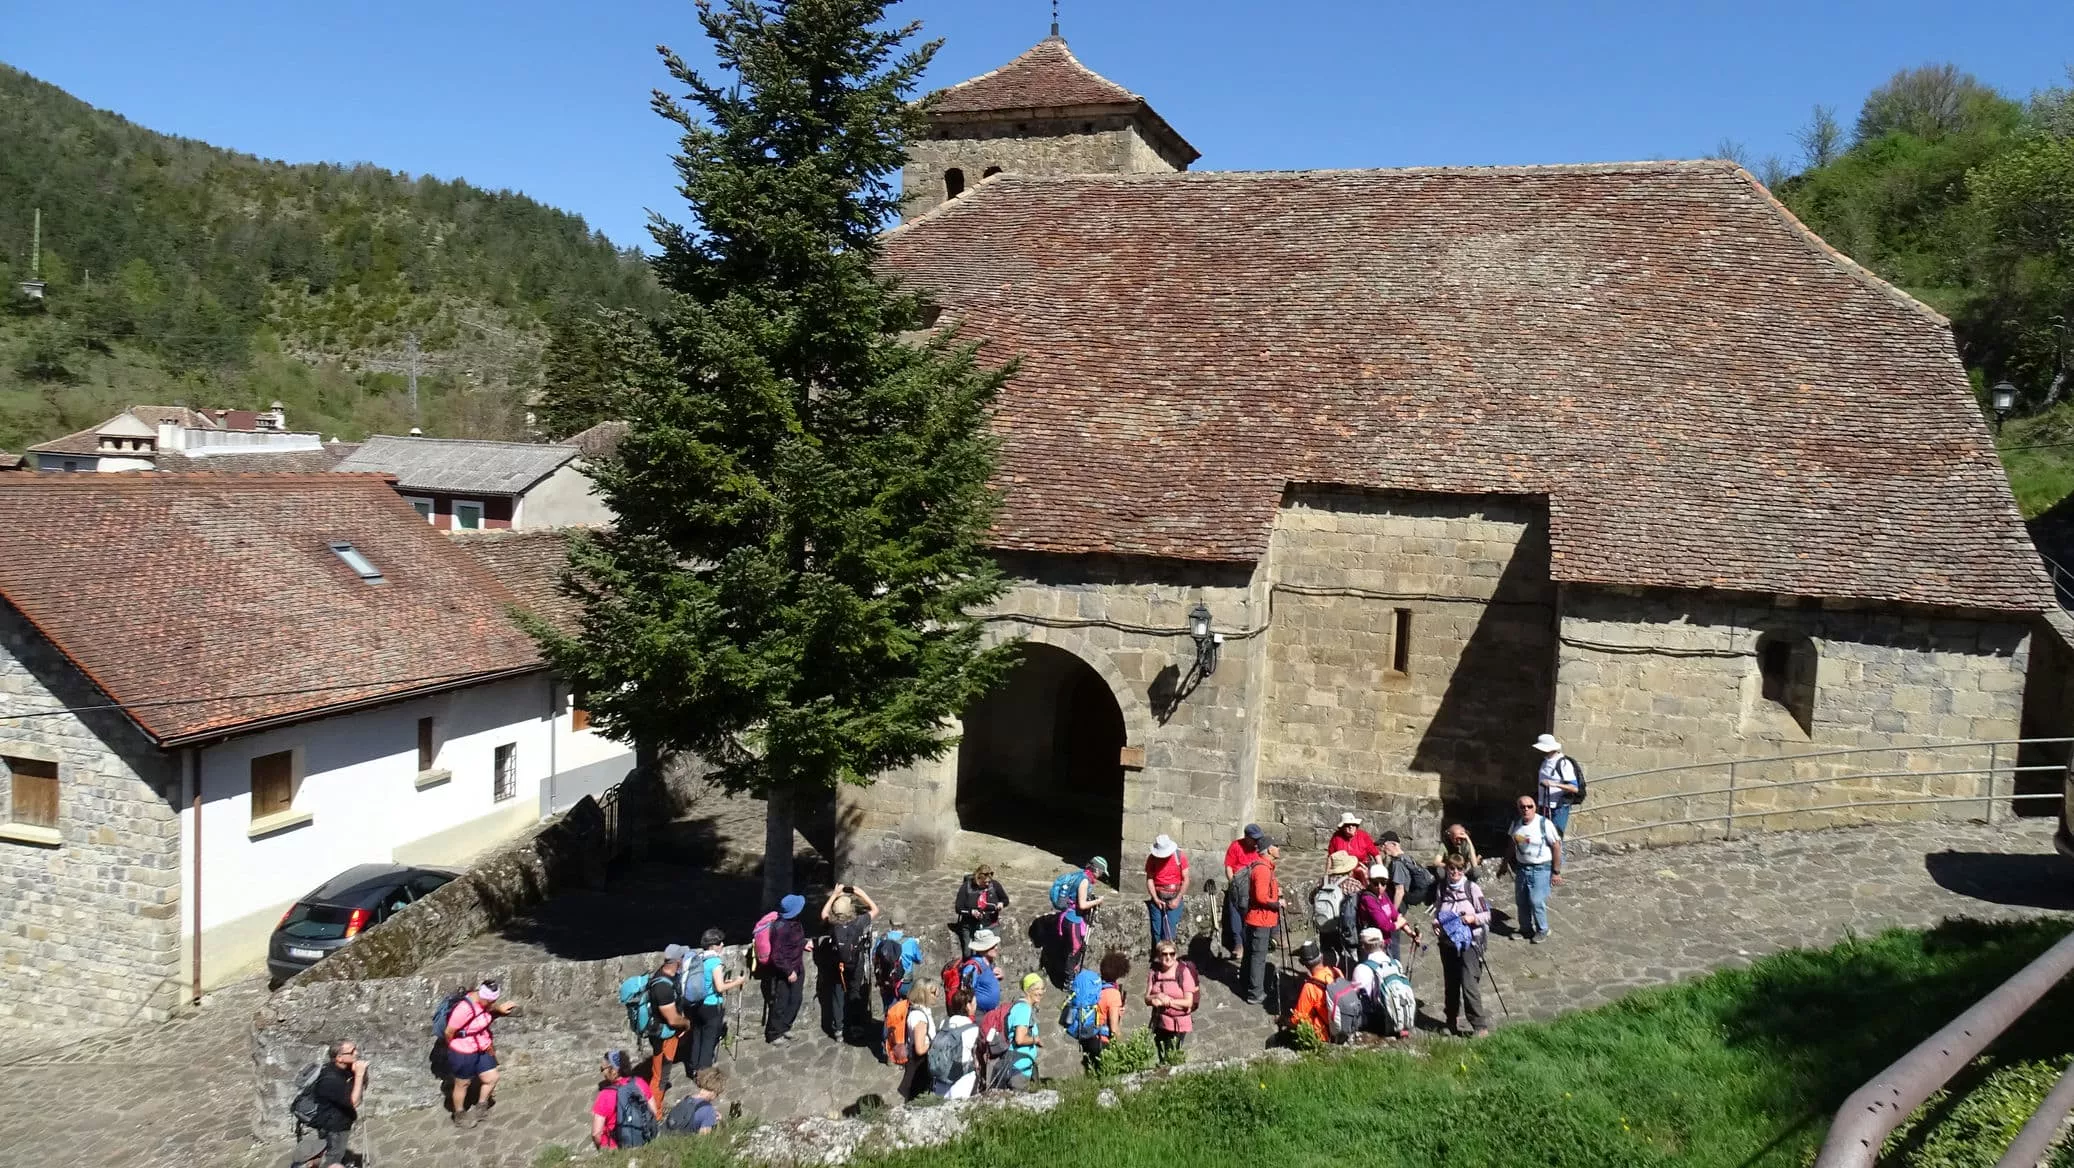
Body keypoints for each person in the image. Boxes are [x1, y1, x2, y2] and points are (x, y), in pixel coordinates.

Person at [1434, 855, 1492, 1037]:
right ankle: (1451, 1021)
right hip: (1447, 943)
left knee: (1468, 983)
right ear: (1447, 869)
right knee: (1451, 983)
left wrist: (1472, 918)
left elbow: (1487, 915)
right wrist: (1436, 924)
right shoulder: (1442, 889)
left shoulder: (1472, 888)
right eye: (1452, 869)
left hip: (1470, 942)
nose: (1455, 872)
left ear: (1464, 869)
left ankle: (1479, 1026)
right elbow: (1437, 911)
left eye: (1459, 869)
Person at [444, 979, 515, 1127]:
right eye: (490, 1001)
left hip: (482, 1045)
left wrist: (499, 1009)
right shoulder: (464, 1009)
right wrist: (455, 1047)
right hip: (463, 1050)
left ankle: (481, 1106)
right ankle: (459, 1115)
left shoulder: (484, 1002)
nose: (492, 1004)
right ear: (482, 996)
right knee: (462, 1083)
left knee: (492, 1077)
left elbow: (489, 1008)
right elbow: (449, 1032)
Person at [821, 884, 881, 1041]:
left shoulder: (833, 925)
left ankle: (838, 1030)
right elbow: (875, 909)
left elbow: (823, 913)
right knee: (855, 992)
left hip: (837, 966)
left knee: (838, 995)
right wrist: (860, 892)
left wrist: (834, 894)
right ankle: (855, 1026)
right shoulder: (859, 922)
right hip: (856, 964)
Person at [1506, 795, 1564, 943]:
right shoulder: (1516, 824)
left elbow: (1556, 846)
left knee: (1536, 901)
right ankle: (1525, 929)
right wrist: (1504, 863)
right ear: (1518, 808)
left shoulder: (1544, 824)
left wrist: (1556, 872)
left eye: (1529, 806)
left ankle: (1542, 930)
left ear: (1535, 807)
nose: (1526, 809)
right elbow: (1512, 844)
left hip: (1541, 869)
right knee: (1522, 901)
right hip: (1522, 868)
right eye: (1522, 807)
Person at [687, 929, 744, 1072]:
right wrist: (738, 982)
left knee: (698, 1036)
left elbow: (708, 981)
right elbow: (719, 988)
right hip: (711, 1006)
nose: (722, 944)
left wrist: (726, 981)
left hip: (698, 1004)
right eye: (719, 943)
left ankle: (693, 1067)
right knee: (709, 1041)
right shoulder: (715, 961)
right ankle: (704, 1073)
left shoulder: (699, 958)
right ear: (712, 946)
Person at [643, 944, 693, 1106]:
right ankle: (654, 1114)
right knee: (661, 1077)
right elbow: (672, 1019)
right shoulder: (663, 987)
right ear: (677, 961)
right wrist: (686, 1024)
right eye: (683, 957)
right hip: (663, 1037)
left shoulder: (667, 974)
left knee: (661, 1073)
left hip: (664, 1033)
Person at [304, 1040, 367, 1165]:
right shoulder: (330, 1080)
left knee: (335, 1152)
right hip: (334, 1127)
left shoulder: (343, 1068)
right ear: (339, 1058)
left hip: (340, 1119)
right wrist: (359, 1075)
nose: (357, 1053)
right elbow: (354, 1102)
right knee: (334, 1158)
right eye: (352, 1051)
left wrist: (358, 1074)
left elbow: (361, 1087)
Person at [1351, 927, 1415, 1039]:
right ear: (1382, 944)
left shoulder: (1361, 969)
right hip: (1397, 1015)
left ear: (1363, 946)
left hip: (1377, 1021)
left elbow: (1354, 996)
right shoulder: (1396, 964)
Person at [764, 893, 810, 1044]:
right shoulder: (780, 928)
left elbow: (795, 941)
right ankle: (774, 1033)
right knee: (781, 1002)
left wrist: (803, 943)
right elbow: (776, 955)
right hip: (786, 971)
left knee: (796, 999)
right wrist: (788, 971)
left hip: (798, 966)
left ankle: (785, 1027)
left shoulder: (795, 922)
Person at [1241, 841, 1282, 1006]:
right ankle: (1255, 993)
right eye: (1277, 846)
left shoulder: (1263, 867)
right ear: (1270, 849)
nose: (1279, 849)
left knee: (1250, 954)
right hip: (1261, 920)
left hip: (1255, 918)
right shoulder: (1263, 869)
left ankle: (1246, 984)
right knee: (1258, 957)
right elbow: (1260, 897)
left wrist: (1275, 892)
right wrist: (1277, 903)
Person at [591, 1049, 657, 1151]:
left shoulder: (605, 1095)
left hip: (616, 1148)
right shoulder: (640, 1083)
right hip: (644, 1140)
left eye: (602, 1069)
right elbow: (653, 1111)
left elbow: (596, 1133)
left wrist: (602, 1149)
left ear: (613, 1070)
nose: (602, 1073)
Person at [1144, 939, 1198, 1063]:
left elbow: (1188, 1002)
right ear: (1158, 956)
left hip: (1178, 1024)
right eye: (1164, 954)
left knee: (1172, 1055)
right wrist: (1156, 997)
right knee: (1161, 1053)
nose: (1168, 957)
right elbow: (1146, 998)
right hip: (1160, 1022)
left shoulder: (1183, 972)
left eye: (1172, 954)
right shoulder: (1154, 973)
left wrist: (1167, 1002)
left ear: (1176, 955)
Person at [1080, 950, 1131, 1071]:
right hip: (1102, 1042)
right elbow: (1114, 1029)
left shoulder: (1095, 989)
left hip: (1087, 1039)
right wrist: (1124, 1047)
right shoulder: (1113, 994)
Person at [932, 985, 983, 1098]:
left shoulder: (944, 1023)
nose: (976, 1006)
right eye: (974, 1003)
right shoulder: (972, 1029)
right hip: (962, 1077)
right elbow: (975, 1055)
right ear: (968, 1006)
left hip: (941, 1075)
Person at [1059, 857, 1109, 973]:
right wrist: (1097, 901)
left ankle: (1071, 975)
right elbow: (1081, 905)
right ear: (1096, 870)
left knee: (1074, 948)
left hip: (1071, 918)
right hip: (1073, 920)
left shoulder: (1081, 874)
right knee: (1075, 949)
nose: (1101, 875)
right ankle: (1069, 981)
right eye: (1101, 872)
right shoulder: (1084, 881)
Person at [895, 978, 941, 1101]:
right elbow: (920, 1049)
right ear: (923, 994)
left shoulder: (916, 1010)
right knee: (917, 1100)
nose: (937, 995)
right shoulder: (920, 1018)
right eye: (932, 992)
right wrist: (936, 1042)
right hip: (920, 1066)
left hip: (916, 1064)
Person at [1222, 824, 1265, 955]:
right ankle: (1238, 944)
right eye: (1254, 838)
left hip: (1253, 885)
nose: (1256, 841)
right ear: (1247, 837)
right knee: (1235, 912)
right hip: (1238, 884)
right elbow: (1229, 867)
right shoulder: (1235, 846)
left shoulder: (1259, 848)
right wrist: (1233, 884)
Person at [1287, 941, 1339, 1042]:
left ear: (1304, 964)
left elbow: (1297, 1020)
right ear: (1322, 957)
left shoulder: (1310, 988)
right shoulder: (1335, 972)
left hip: (1325, 1034)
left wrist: (1283, 1021)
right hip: (1344, 1022)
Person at [1144, 834, 1190, 946]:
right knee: (1157, 929)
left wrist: (1177, 900)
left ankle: (1167, 957)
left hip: (1174, 897)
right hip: (1158, 898)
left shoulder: (1179, 856)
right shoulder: (1152, 858)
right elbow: (1150, 879)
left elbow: (1186, 879)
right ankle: (1158, 957)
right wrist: (1155, 898)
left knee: (1169, 931)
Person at [1535, 734, 1584, 836]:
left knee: (1555, 837)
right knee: (1544, 836)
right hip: (1544, 805)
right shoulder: (1545, 761)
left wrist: (1553, 784)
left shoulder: (1564, 763)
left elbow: (1574, 788)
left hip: (1559, 807)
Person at [952, 864, 1009, 950]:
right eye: (984, 882)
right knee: (969, 954)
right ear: (977, 878)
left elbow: (1005, 900)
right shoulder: (966, 887)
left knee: (988, 954)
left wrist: (1001, 903)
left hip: (990, 926)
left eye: (989, 882)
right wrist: (971, 912)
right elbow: (958, 908)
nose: (987, 884)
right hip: (970, 926)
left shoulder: (995, 885)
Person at [1003, 972, 1046, 1087]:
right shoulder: (1023, 1009)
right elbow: (1020, 1039)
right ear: (1028, 990)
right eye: (1036, 989)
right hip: (1019, 1067)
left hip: (1020, 1065)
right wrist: (1035, 1040)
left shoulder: (1022, 1007)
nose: (1040, 992)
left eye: (1042, 989)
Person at [664, 1067, 727, 1136]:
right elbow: (704, 1142)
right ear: (714, 1092)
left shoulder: (689, 1098)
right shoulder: (709, 1111)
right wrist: (721, 1123)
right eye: (717, 1094)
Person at [962, 929, 1004, 1013]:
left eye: (995, 945)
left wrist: (1000, 976)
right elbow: (965, 992)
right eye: (992, 946)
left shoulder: (990, 963)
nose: (996, 948)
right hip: (978, 1013)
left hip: (990, 1013)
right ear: (983, 948)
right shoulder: (972, 967)